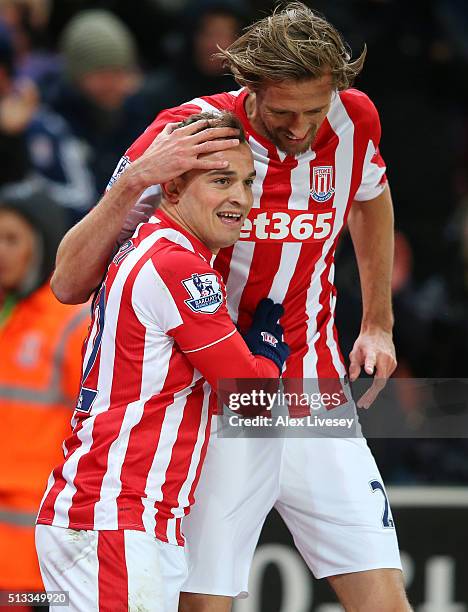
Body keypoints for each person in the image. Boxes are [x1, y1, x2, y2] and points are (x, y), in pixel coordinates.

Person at [50, 3, 411, 611]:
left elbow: (371, 197)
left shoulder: (356, 121)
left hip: (310, 387)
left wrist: (378, 322)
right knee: (205, 602)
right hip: (220, 397)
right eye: (281, 114)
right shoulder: (190, 134)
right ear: (249, 90)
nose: (300, 130)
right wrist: (135, 179)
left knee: (384, 598)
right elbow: (67, 281)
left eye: (313, 113)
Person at [35, 112, 289, 611]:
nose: (241, 197)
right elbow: (250, 398)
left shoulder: (147, 247)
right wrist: (266, 350)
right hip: (115, 520)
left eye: (246, 181)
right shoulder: (177, 265)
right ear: (172, 188)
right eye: (221, 181)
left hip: (112, 521)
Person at [0, 188, 89, 595]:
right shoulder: (11, 312)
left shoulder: (72, 325)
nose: (0, 252)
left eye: (12, 240)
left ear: (42, 244)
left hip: (37, 553)